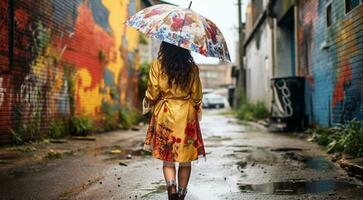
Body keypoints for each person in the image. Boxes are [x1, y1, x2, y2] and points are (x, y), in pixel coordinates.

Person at [143, 41, 206, 200]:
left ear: (164, 46)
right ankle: (182, 194)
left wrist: (149, 101)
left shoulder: (158, 66)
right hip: (186, 116)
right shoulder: (192, 69)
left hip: (165, 113)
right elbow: (197, 97)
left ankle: (171, 186)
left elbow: (152, 93)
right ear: (185, 49)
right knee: (185, 160)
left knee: (168, 157)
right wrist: (195, 108)